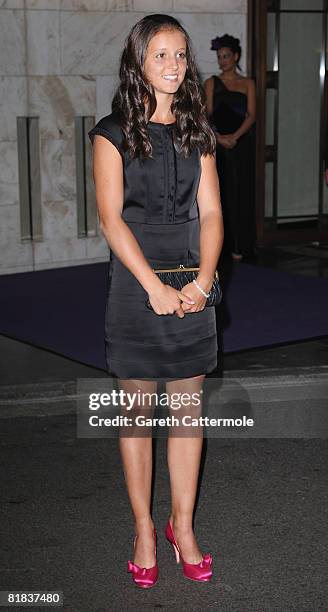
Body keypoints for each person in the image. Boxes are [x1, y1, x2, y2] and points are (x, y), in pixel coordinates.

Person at [88, 14, 223, 588]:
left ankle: (182, 527)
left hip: (193, 283)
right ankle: (144, 527)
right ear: (138, 61)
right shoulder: (112, 132)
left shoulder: (199, 130)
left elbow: (213, 213)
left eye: (181, 55)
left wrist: (198, 284)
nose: (174, 66)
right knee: (138, 413)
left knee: (188, 414)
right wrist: (154, 288)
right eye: (161, 55)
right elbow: (110, 220)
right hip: (137, 285)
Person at [204, 34, 256, 261]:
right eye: (219, 56)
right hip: (218, 146)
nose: (222, 60)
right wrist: (219, 137)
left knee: (242, 193)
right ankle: (221, 249)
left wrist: (235, 136)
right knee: (220, 194)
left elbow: (252, 115)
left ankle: (241, 245)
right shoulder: (210, 83)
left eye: (226, 56)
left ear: (235, 56)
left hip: (241, 144)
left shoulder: (248, 83)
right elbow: (205, 116)